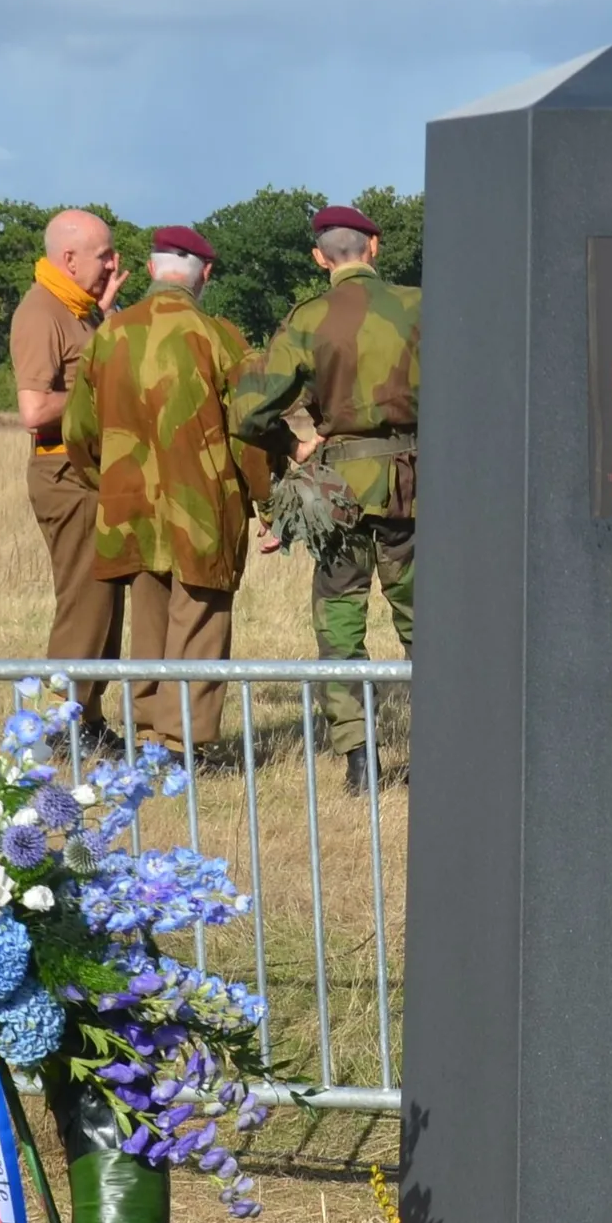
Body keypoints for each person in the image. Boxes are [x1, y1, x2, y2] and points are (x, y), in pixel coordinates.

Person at [230, 203, 418, 794]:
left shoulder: (307, 318)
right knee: (428, 619)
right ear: (375, 247)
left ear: (319, 257)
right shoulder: (421, 306)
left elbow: (247, 411)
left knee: (339, 622)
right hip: (418, 487)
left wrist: (295, 442)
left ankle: (360, 759)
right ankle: (447, 746)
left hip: (337, 494)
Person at [74, 225, 276, 760]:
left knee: (151, 618)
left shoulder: (107, 335)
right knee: (202, 619)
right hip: (204, 506)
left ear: (149, 270)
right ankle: (181, 743)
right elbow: (253, 430)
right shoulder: (221, 337)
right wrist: (267, 502)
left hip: (128, 505)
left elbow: (79, 434)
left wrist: (110, 483)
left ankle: (146, 733)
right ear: (204, 274)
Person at [12, 210, 124, 698]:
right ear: (70, 259)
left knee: (103, 600)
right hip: (63, 472)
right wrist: (95, 395)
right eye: (105, 256)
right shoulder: (41, 313)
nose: (114, 264)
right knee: (84, 600)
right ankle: (65, 723)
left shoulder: (80, 310)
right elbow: (34, 410)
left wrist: (108, 313)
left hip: (88, 473)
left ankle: (90, 717)